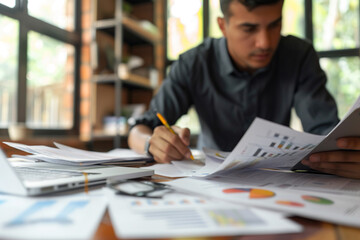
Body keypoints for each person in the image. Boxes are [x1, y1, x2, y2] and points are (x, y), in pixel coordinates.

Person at [128, 0, 360, 179]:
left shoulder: (298, 56)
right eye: (249, 29)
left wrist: (345, 154)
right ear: (223, 26)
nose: (265, 43)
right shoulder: (194, 63)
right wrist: (151, 144)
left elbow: (325, 132)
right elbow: (140, 130)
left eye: (274, 25)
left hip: (278, 181)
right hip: (208, 180)